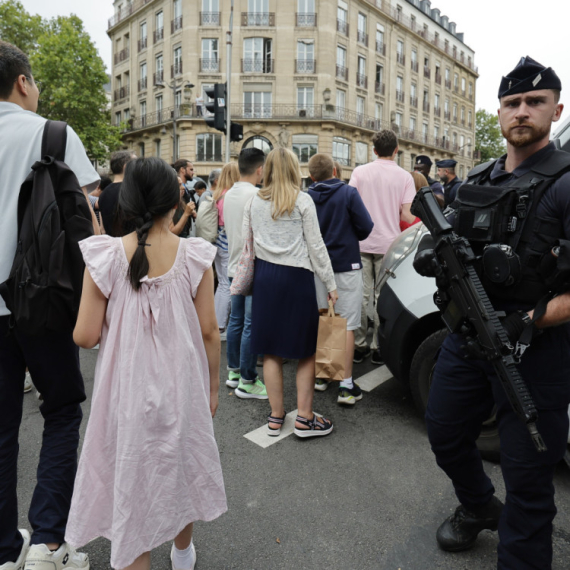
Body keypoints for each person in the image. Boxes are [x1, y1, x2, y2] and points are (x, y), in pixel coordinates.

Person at [413, 56, 570, 569]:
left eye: (534, 102)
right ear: (499, 112)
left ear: (556, 109)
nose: (521, 111)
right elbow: (436, 243)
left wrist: (530, 321)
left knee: (528, 480)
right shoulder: (475, 177)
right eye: (511, 103)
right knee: (443, 430)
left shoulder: (565, 182)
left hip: (536, 348)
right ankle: (479, 505)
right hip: (467, 338)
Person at [65, 157, 227, 570]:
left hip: (126, 392)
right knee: (182, 466)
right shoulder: (194, 255)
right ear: (176, 199)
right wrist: (212, 388)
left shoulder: (106, 256)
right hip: (183, 384)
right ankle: (183, 552)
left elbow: (85, 336)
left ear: (128, 201)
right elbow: (210, 330)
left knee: (134, 481)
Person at [0, 40, 100, 570]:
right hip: (43, 301)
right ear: (23, 81)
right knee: (61, 411)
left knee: (0, 427)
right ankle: (47, 543)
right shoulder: (52, 134)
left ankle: (3, 549)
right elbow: (86, 216)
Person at [247, 148, 338, 437]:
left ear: (268, 169)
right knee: (306, 351)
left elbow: (246, 242)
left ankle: (275, 418)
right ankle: (305, 418)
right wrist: (331, 284)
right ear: (293, 169)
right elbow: (316, 246)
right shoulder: (302, 200)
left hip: (265, 277)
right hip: (297, 278)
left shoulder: (255, 201)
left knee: (271, 351)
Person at [307, 153, 373, 404]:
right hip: (347, 263)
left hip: (317, 267)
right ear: (335, 170)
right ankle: (345, 384)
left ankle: (323, 376)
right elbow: (366, 227)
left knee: (324, 318)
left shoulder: (307, 197)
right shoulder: (348, 193)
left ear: (312, 176)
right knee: (346, 324)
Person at [349, 130, 416, 365]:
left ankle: (358, 346)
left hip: (361, 242)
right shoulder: (405, 177)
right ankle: (379, 347)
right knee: (381, 298)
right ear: (396, 150)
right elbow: (408, 215)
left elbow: (350, 206)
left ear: (374, 150)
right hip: (390, 245)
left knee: (359, 295)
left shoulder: (359, 172)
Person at [223, 148, 268, 399]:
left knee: (236, 320)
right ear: (260, 169)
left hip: (233, 266)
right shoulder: (257, 195)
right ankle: (248, 380)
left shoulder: (229, 194)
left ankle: (234, 372)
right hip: (252, 268)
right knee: (250, 323)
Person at [213, 163, 239, 338]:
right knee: (226, 285)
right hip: (227, 242)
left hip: (217, 242)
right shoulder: (231, 195)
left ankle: (217, 321)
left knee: (222, 282)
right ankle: (219, 324)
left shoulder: (218, 194)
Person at [98, 151, 136, 236]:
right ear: (126, 167)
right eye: (135, 164)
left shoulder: (103, 194)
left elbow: (102, 229)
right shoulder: (132, 190)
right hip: (131, 244)